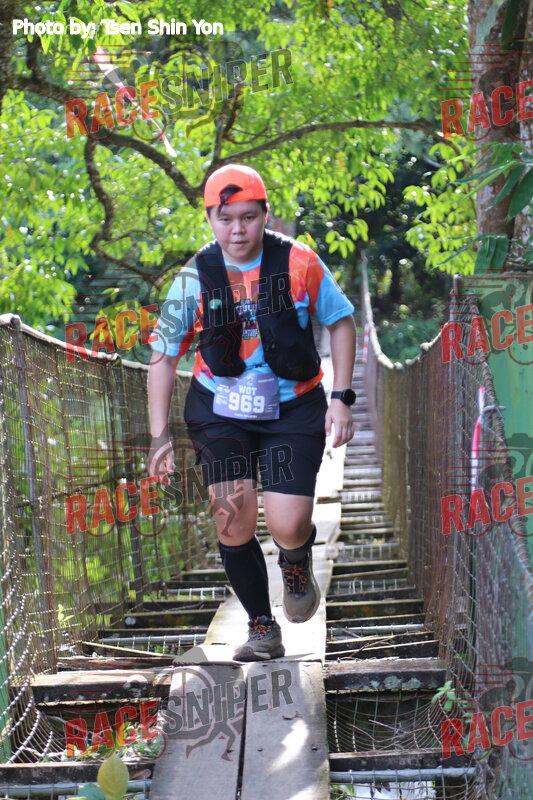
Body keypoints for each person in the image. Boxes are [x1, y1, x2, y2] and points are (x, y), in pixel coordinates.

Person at [147, 164, 356, 661]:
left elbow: (341, 322)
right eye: (225, 219)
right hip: (219, 409)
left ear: (266, 214)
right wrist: (159, 438)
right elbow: (163, 357)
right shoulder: (193, 278)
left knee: (288, 524)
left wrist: (341, 398)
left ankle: (295, 561)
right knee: (233, 518)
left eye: (248, 217)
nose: (237, 230)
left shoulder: (299, 262)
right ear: (209, 219)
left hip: (293, 406)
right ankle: (262, 626)